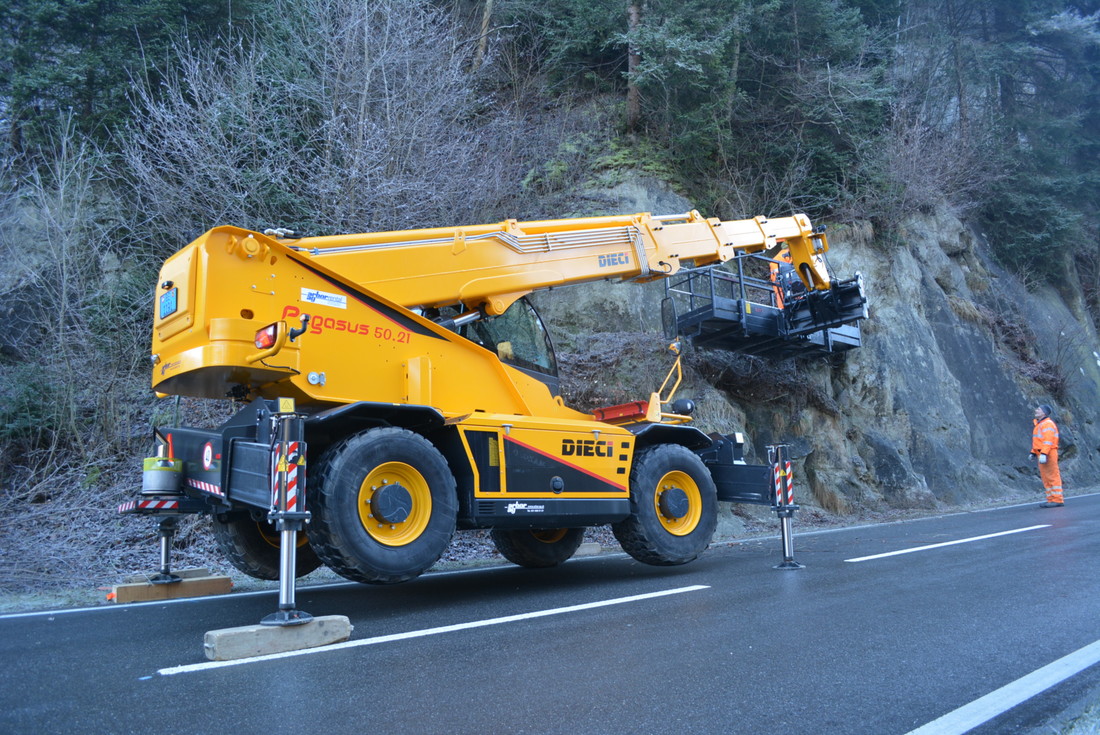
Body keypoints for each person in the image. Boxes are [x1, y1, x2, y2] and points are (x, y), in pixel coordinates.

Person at [1030, 404, 1064, 507]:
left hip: (1048, 453)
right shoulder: (1040, 424)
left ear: (1044, 413)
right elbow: (1038, 442)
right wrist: (1033, 452)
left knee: (1052, 476)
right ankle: (1051, 499)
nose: (1036, 410)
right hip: (1042, 453)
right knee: (1046, 477)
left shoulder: (1047, 424)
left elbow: (1048, 441)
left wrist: (1044, 453)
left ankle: (1057, 499)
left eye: (1039, 409)